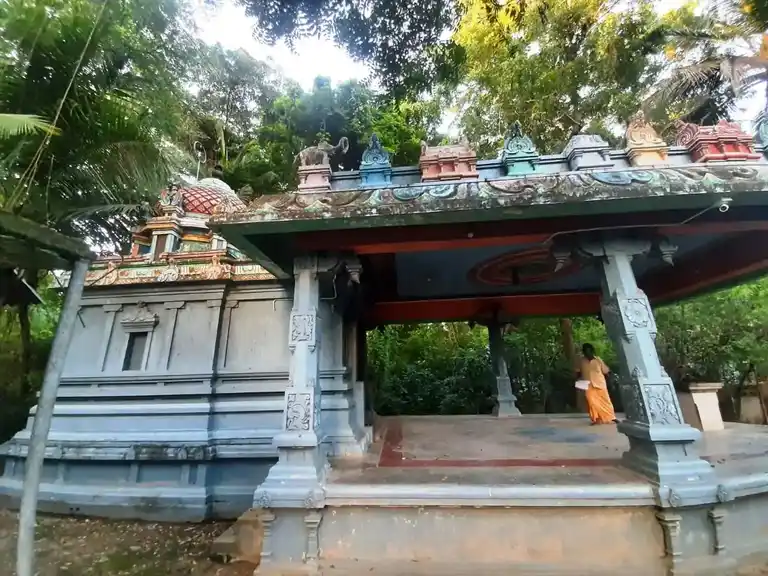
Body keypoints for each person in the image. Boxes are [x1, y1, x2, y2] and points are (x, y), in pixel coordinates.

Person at [577, 343, 617, 425]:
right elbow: (578, 373)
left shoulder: (598, 360)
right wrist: (578, 383)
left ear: (592, 351)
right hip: (588, 385)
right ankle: (596, 419)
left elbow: (607, 372)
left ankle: (612, 418)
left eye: (589, 351)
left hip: (600, 384)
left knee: (606, 402)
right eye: (585, 351)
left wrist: (611, 383)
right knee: (592, 402)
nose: (587, 353)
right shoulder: (581, 361)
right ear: (584, 352)